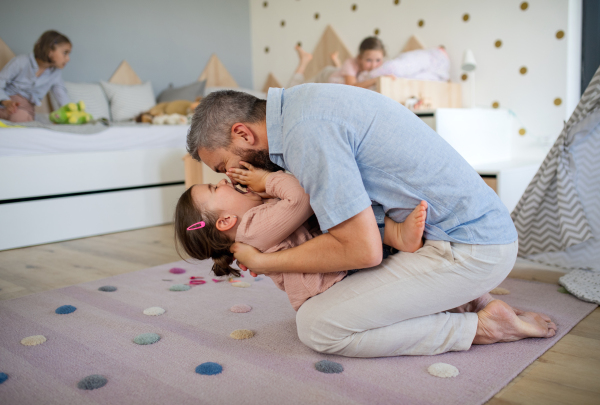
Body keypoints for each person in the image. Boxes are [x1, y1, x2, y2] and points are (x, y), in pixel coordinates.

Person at [186, 87, 557, 357]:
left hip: (469, 249)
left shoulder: (307, 136)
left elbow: (363, 251)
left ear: (243, 133)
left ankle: (480, 328)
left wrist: (265, 262)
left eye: (225, 167)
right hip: (470, 234)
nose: (233, 177)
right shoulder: (305, 105)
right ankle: (471, 301)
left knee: (317, 327)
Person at [174, 162, 428, 311]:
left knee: (335, 217)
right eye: (214, 188)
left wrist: (260, 192)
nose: (222, 182)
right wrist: (267, 179)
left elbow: (285, 206)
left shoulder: (252, 226)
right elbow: (300, 196)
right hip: (328, 283)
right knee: (337, 213)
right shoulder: (252, 228)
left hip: (327, 277)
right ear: (225, 221)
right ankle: (396, 234)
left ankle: (394, 237)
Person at [0, 30, 71, 122]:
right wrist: (6, 102)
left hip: (26, 110)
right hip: (6, 103)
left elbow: (61, 95)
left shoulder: (55, 73)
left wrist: (71, 113)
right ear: (50, 50)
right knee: (18, 116)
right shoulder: (21, 61)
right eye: (65, 53)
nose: (68, 59)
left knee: (21, 117)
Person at [288, 36, 386, 89]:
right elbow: (351, 86)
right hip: (325, 76)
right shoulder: (351, 63)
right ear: (359, 58)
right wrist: (376, 80)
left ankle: (336, 61)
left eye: (378, 60)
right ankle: (303, 61)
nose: (373, 65)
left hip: (339, 75)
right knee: (296, 90)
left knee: (341, 73)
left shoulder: (377, 69)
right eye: (369, 60)